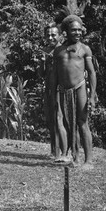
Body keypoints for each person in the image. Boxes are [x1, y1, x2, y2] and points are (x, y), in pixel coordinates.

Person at [52, 15, 97, 169]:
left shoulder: (85, 49)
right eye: (73, 30)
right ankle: (70, 155)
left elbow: (91, 73)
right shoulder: (58, 51)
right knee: (63, 122)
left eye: (79, 30)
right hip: (63, 91)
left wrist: (92, 96)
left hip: (80, 88)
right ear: (66, 31)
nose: (77, 33)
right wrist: (52, 95)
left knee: (82, 123)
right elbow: (55, 75)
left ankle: (88, 160)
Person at [40, 23, 63, 157]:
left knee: (61, 120)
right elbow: (41, 74)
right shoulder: (45, 50)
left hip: (61, 90)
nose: (50, 38)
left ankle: (64, 151)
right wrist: (42, 61)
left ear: (59, 36)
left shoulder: (63, 50)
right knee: (51, 120)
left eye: (53, 35)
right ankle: (54, 150)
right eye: (48, 35)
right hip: (49, 90)